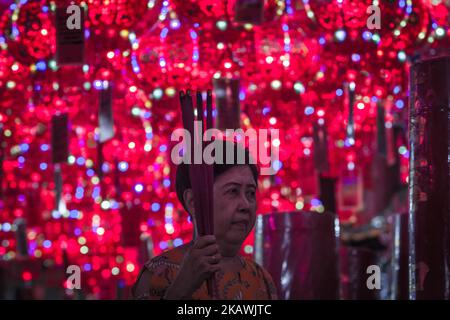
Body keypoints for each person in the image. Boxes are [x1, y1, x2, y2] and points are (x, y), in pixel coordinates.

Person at [132, 141, 277, 300]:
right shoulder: (159, 273)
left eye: (250, 193)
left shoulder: (261, 279)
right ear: (194, 202)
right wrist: (181, 290)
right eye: (233, 191)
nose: (246, 205)